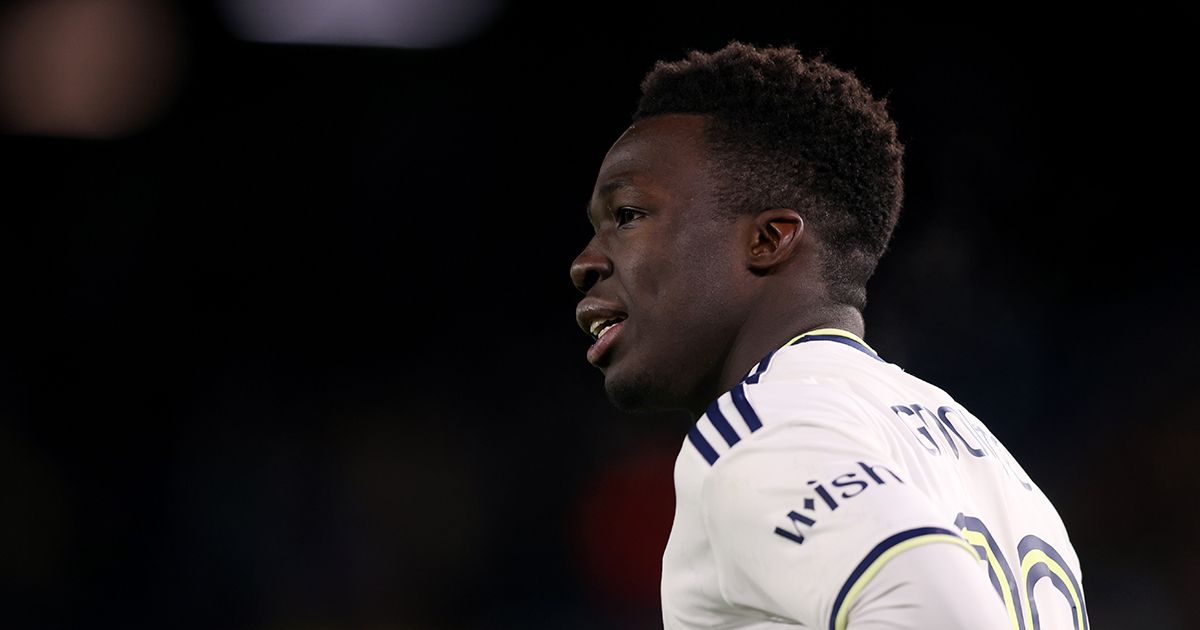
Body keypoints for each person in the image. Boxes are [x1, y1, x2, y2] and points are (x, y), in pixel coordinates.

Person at [569, 42, 1088, 630]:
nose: (585, 262)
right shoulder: (986, 458)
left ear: (768, 240)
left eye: (629, 215)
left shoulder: (766, 432)